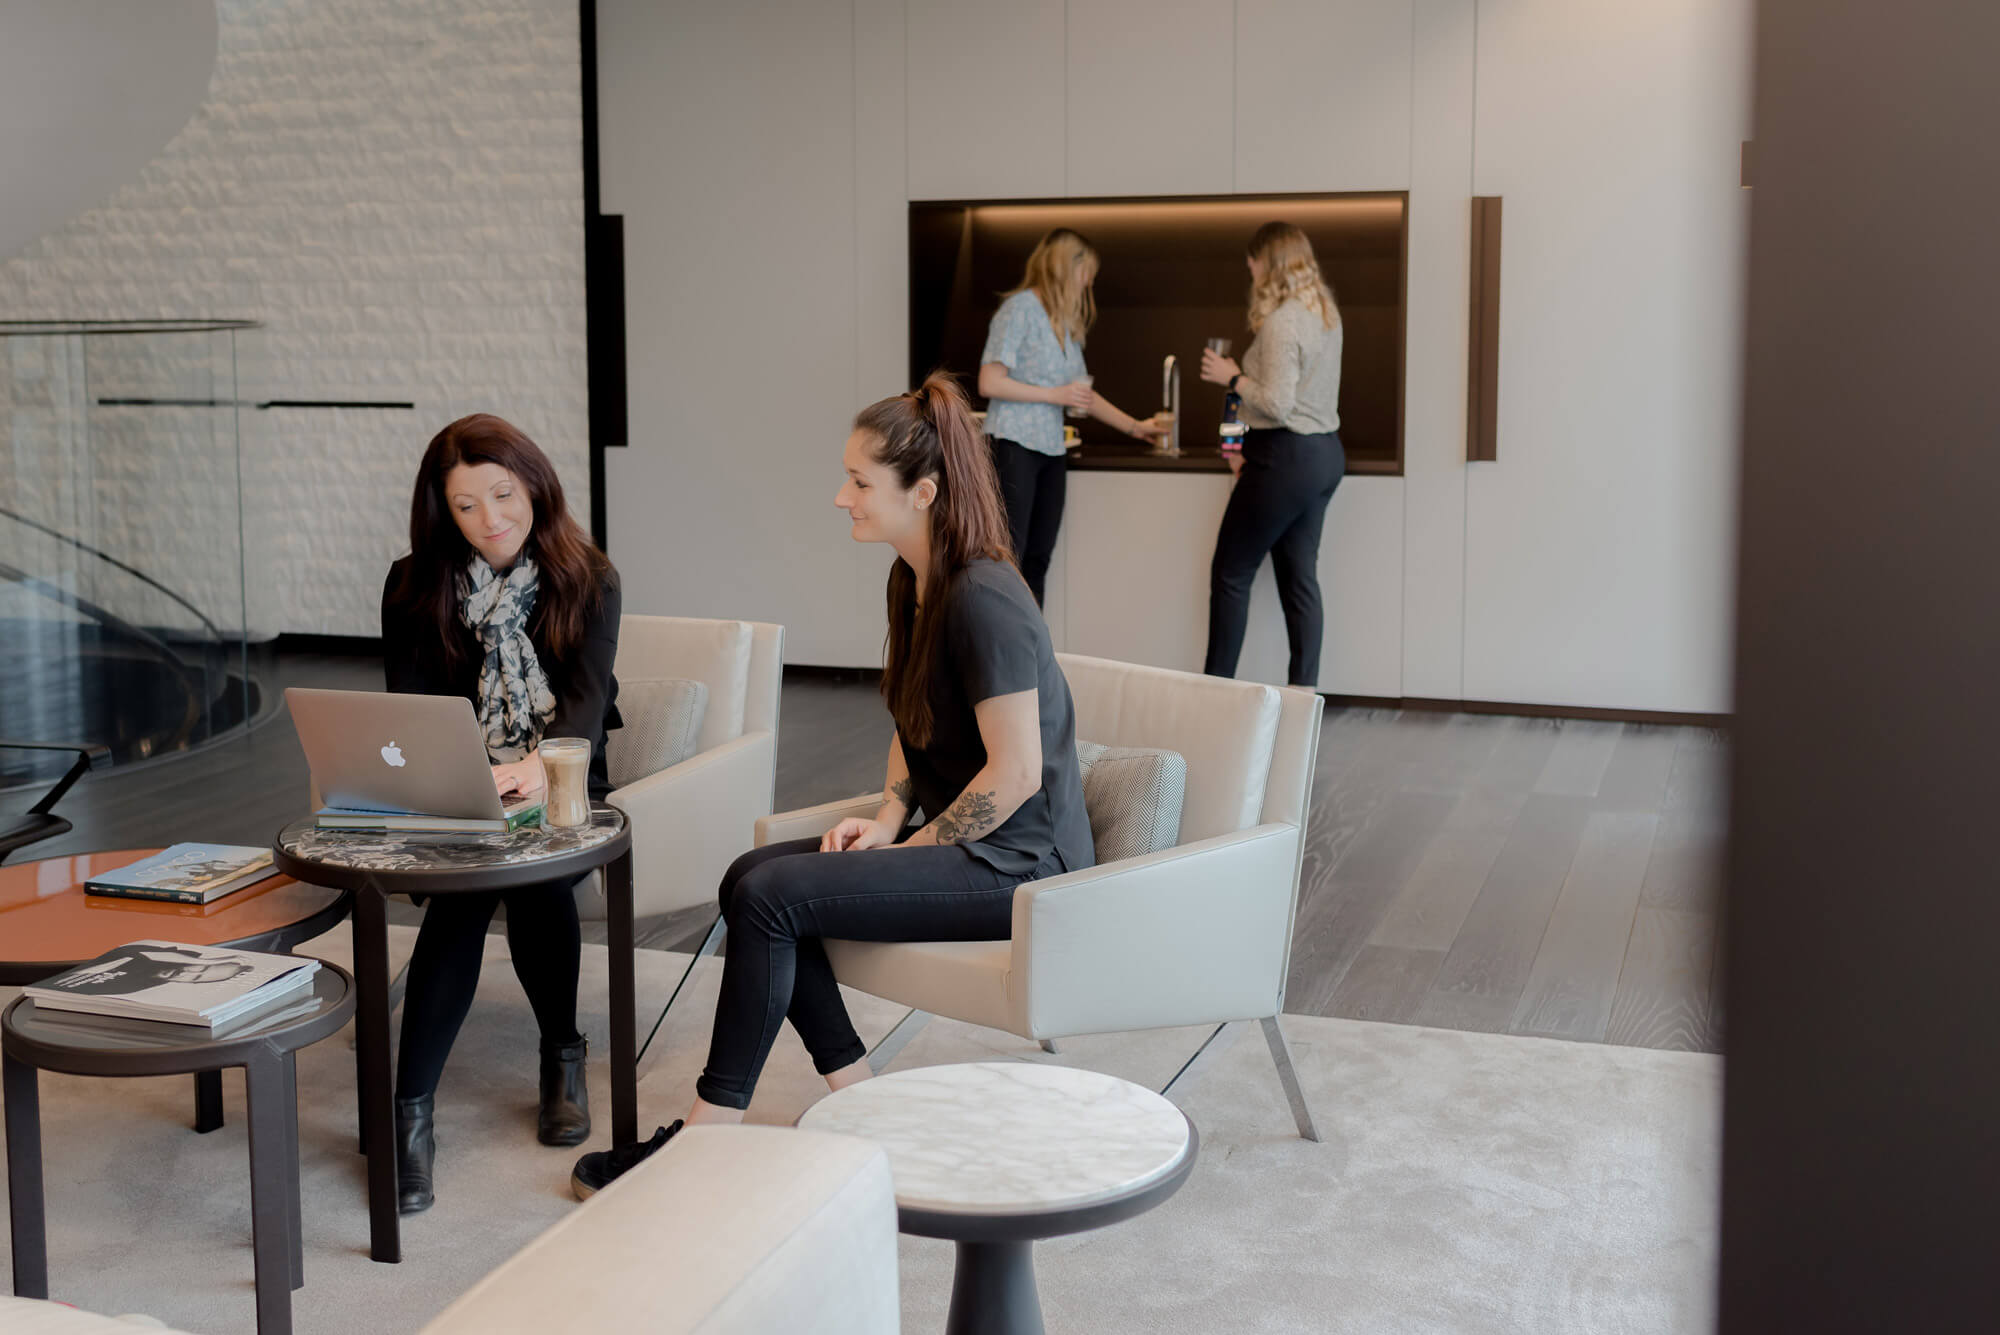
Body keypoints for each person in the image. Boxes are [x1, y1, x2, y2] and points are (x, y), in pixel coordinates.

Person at [570, 373, 1095, 1198]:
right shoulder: (912, 580)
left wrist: (913, 847)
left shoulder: (986, 597)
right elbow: (913, 714)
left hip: (1023, 864)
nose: (839, 496)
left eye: (859, 481)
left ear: (924, 492)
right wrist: (888, 814)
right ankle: (863, 1099)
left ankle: (710, 1138)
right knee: (751, 879)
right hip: (972, 847)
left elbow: (1019, 769)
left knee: (775, 896)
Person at [380, 413, 622, 1215]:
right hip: (460, 784)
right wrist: (471, 777)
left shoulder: (589, 577)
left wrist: (527, 767)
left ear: (534, 487)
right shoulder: (413, 584)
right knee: (461, 895)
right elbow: (410, 712)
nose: (490, 519)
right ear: (440, 511)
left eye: (503, 494)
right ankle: (407, 1116)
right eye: (465, 505)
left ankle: (562, 1054)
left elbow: (584, 709)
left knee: (536, 876)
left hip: (561, 775)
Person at [977, 228, 1166, 605]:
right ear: (1067, 267)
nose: (1090, 281)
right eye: (1087, 272)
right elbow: (989, 382)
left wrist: (1136, 427)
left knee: (1038, 559)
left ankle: (1033, 652)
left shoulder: (1065, 324)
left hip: (1051, 450)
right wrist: (1053, 395)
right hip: (1014, 444)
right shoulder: (1018, 310)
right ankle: (1002, 650)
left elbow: (1082, 396)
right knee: (1006, 557)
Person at [1199, 222, 1347, 687]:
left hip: (1285, 458)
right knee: (1300, 582)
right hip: (1323, 456)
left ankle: (1213, 695)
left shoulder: (1282, 320)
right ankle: (1304, 699)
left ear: (1272, 263)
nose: (1249, 266)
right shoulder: (1323, 312)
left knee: (1230, 574)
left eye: (1255, 259)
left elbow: (1278, 404)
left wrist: (1232, 375)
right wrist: (1236, 441)